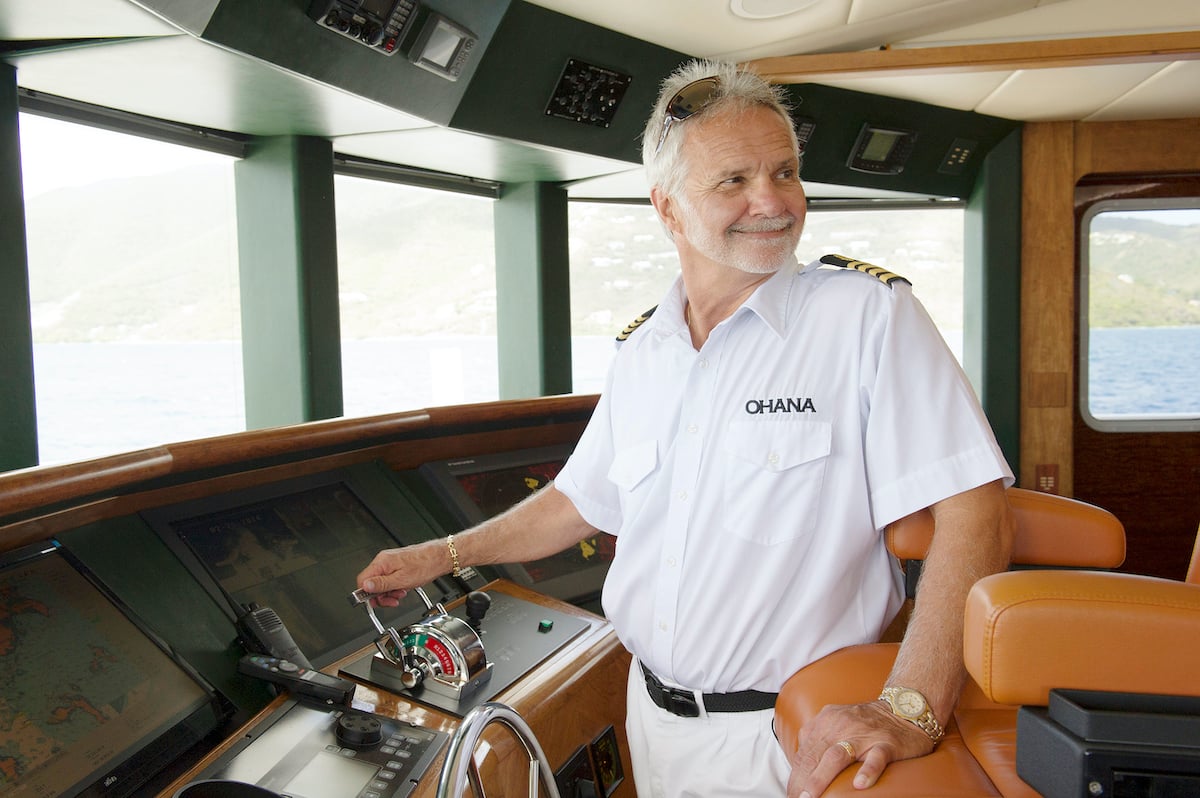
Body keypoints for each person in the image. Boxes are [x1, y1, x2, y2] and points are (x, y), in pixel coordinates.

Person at [357, 58, 1015, 798]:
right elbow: (579, 501)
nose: (772, 201)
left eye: (785, 172)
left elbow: (976, 510)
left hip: (792, 732)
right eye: (734, 180)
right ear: (668, 209)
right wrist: (442, 554)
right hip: (651, 718)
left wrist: (910, 707)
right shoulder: (645, 351)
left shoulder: (868, 319)